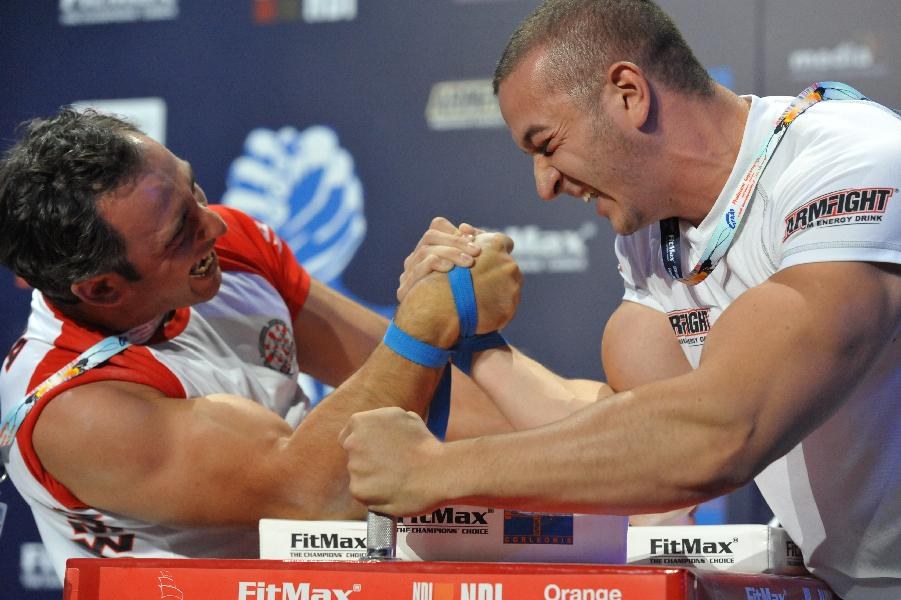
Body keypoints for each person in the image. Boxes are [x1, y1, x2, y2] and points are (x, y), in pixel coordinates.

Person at [338, 1, 901, 598]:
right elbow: (638, 440)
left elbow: (721, 431)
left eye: (547, 144)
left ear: (629, 93)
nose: (544, 184)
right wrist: (472, 335)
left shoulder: (849, 160)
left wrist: (436, 471)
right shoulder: (650, 238)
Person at [0, 108, 522, 578]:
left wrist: (561, 450)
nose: (214, 223)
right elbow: (315, 495)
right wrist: (428, 317)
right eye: (180, 231)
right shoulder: (73, 408)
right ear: (102, 289)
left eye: (193, 189)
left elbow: (427, 387)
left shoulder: (228, 249)